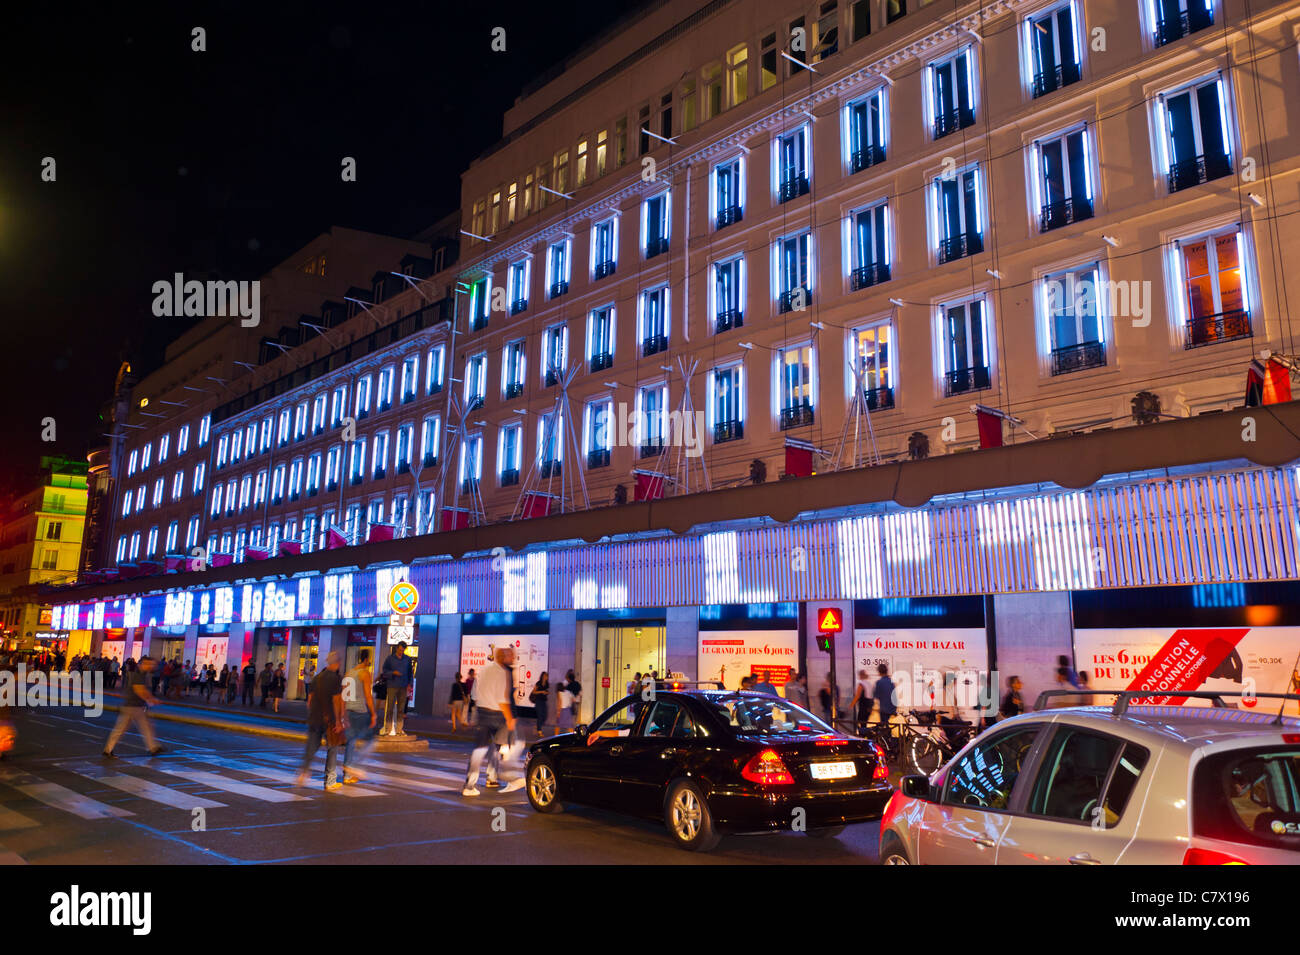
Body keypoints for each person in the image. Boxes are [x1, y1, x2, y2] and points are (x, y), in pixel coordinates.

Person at [463, 646, 525, 796]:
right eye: (509, 656)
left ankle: (469, 786)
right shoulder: (503, 673)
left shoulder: (483, 670)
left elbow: (475, 694)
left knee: (479, 750)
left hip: (482, 713)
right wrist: (510, 719)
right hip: (498, 715)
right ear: (502, 658)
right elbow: (502, 699)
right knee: (510, 745)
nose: (512, 658)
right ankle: (509, 777)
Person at [297, 650, 345, 791]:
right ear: (337, 663)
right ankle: (330, 781)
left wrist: (312, 714)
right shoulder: (336, 679)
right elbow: (337, 701)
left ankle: (304, 771)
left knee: (311, 747)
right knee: (333, 747)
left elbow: (309, 701)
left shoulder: (316, 678)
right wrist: (338, 721)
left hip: (314, 717)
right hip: (329, 719)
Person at [103, 656, 163, 758]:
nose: (151, 667)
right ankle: (108, 750)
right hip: (132, 706)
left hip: (136, 706)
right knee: (122, 729)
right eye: (149, 664)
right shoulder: (138, 674)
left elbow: (142, 689)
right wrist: (151, 699)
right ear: (143, 664)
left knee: (145, 726)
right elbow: (139, 690)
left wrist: (149, 699)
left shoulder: (143, 674)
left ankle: (153, 747)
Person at [342, 649, 377, 783]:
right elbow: (368, 696)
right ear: (366, 659)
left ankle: (347, 775)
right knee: (370, 741)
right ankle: (354, 766)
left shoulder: (348, 673)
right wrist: (373, 714)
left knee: (350, 741)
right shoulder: (365, 673)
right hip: (361, 711)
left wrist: (343, 713)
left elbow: (344, 695)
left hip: (349, 710)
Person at [381, 642, 414, 736]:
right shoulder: (390, 659)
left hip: (403, 686)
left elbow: (410, 673)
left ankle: (399, 730)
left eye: (403, 650)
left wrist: (410, 684)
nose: (401, 652)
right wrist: (393, 673)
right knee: (390, 708)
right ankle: (388, 729)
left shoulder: (407, 659)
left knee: (401, 709)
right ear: (396, 649)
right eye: (400, 650)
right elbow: (384, 671)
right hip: (392, 686)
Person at [873, 664, 897, 728]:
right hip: (892, 708)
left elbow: (876, 696)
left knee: (883, 726)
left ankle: (887, 736)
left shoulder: (879, 682)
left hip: (884, 709)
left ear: (879, 672)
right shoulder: (891, 682)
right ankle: (889, 736)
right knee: (887, 725)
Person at [851, 668, 874, 733]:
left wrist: (851, 705)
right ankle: (865, 736)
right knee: (864, 723)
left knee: (860, 722)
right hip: (869, 706)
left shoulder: (861, 684)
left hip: (863, 705)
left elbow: (858, 695)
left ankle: (863, 737)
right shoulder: (869, 684)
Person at [530, 671, 550, 738]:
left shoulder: (547, 684)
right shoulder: (538, 683)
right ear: (542, 676)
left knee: (545, 716)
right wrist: (542, 691)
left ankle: (537, 726)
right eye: (544, 676)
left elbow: (547, 691)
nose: (546, 677)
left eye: (546, 676)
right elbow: (534, 692)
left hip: (544, 701)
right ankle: (539, 731)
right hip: (538, 701)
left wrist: (546, 693)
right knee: (540, 716)